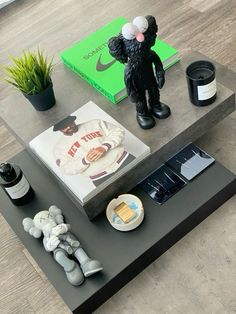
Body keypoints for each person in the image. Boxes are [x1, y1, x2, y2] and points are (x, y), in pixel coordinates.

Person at [53, 116, 134, 186]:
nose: (68, 127)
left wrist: (105, 146)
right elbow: (66, 169)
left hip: (124, 161)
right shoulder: (59, 148)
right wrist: (85, 161)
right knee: (120, 203)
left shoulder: (94, 123)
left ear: (73, 120)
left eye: (69, 123)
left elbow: (118, 131)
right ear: (59, 130)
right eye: (64, 127)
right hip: (101, 178)